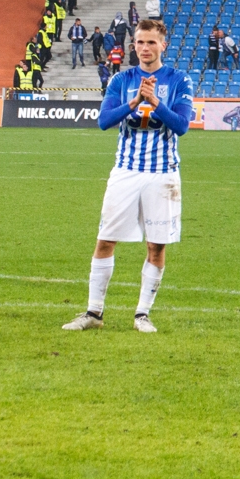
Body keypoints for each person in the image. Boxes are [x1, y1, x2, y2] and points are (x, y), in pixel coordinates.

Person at [63, 19, 191, 334]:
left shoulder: (179, 80)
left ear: (163, 45)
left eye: (151, 42)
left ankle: (142, 314)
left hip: (163, 174)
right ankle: (93, 312)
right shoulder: (122, 80)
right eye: (140, 42)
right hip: (125, 171)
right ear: (133, 45)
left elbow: (182, 125)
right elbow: (104, 121)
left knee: (156, 246)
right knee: (106, 239)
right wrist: (134, 102)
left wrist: (155, 101)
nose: (145, 48)